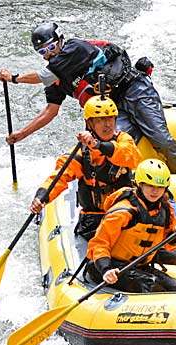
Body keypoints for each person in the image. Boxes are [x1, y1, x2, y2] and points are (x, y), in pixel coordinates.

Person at [0, 22, 176, 174]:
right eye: (42, 52)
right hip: (111, 108)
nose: (48, 54)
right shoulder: (57, 79)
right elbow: (51, 111)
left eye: (51, 47)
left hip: (134, 90)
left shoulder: (73, 49)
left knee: (161, 139)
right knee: (111, 151)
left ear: (60, 41)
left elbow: (43, 76)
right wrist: (22, 134)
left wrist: (13, 78)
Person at [30, 95, 140, 240]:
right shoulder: (81, 154)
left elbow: (133, 158)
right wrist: (41, 197)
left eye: (110, 119)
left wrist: (98, 145)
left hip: (124, 213)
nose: (107, 124)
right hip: (94, 219)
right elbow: (58, 178)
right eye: (100, 120)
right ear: (90, 124)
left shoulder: (124, 140)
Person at [85, 159, 176, 292]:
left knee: (175, 286)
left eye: (160, 187)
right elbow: (99, 243)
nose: (155, 191)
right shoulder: (123, 211)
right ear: (140, 184)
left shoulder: (165, 209)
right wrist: (106, 269)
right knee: (150, 286)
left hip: (139, 264)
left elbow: (168, 244)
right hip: (110, 266)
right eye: (150, 186)